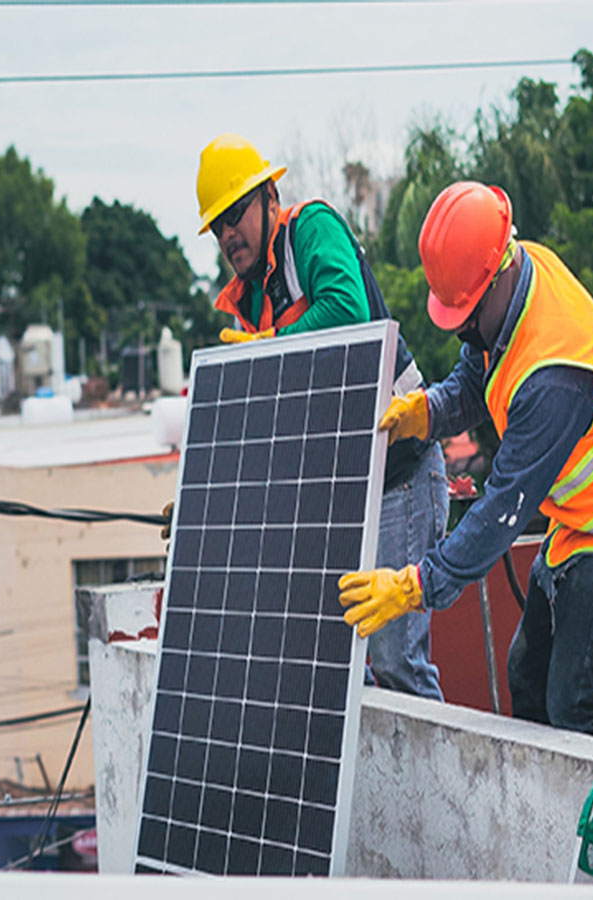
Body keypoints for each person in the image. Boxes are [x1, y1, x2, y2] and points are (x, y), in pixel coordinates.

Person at [339, 181, 593, 738]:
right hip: (582, 520)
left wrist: (415, 585)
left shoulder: (556, 378)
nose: (464, 327)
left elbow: (501, 510)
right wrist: (426, 411)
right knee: (526, 676)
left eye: (467, 314)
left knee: (573, 705)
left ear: (497, 274)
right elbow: (478, 377)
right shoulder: (514, 282)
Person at [196, 133, 447, 701]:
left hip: (400, 472)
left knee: (393, 660)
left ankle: (439, 791)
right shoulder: (251, 296)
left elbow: (347, 309)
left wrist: (266, 346)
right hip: (343, 491)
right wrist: (206, 495)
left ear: (268, 196)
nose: (228, 233)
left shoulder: (309, 229)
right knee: (343, 665)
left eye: (235, 213)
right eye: (217, 226)